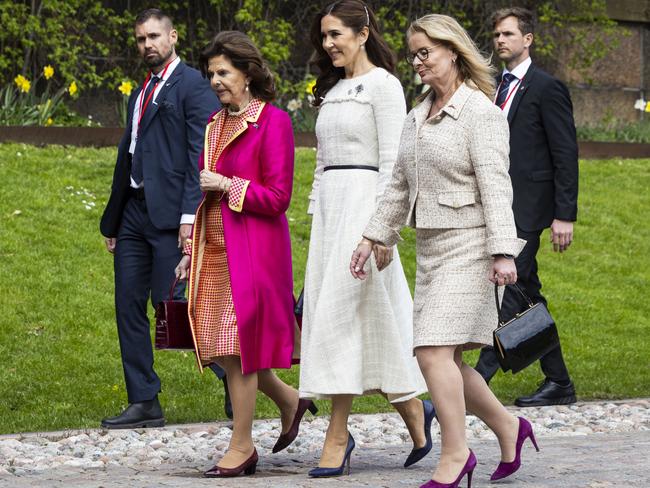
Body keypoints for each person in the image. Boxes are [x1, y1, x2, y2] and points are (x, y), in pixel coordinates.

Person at [351, 14, 540, 487]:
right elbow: (398, 185)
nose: (417, 62)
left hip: (473, 246)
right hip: (433, 249)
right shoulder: (419, 115)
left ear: (452, 51)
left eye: (425, 52)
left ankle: (456, 455)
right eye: (413, 54)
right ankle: (510, 427)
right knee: (448, 361)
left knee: (432, 353)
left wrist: (502, 252)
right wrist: (376, 234)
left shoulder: (482, 113)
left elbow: (498, 187)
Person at [299, 0, 434, 478]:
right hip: (332, 215)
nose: (329, 43)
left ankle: (338, 436)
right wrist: (318, 218)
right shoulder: (332, 89)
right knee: (372, 321)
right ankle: (417, 415)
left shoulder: (384, 87)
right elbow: (320, 162)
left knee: (345, 320)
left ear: (362, 32)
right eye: (325, 36)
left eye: (336, 34)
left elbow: (397, 165)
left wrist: (381, 231)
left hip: (366, 212)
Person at [174, 30, 313, 478]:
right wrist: (191, 249)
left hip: (252, 255)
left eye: (224, 72)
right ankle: (290, 400)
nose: (215, 80)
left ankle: (242, 445)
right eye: (211, 73)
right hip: (213, 253)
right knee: (223, 349)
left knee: (240, 348)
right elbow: (205, 198)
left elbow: (278, 197)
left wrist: (228, 185)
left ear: (248, 73)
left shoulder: (273, 121)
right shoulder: (215, 125)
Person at [99, 8, 231, 428]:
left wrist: (190, 217)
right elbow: (131, 153)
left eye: (154, 36)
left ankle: (236, 377)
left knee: (175, 306)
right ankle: (144, 401)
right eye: (141, 39)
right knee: (128, 306)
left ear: (173, 37)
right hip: (134, 216)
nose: (147, 45)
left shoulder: (193, 85)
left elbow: (202, 154)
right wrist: (115, 220)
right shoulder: (141, 91)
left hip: (172, 217)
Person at [474, 7, 579, 408]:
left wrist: (564, 213)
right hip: (499, 206)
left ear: (527, 39)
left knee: (512, 292)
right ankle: (559, 382)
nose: (500, 40)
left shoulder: (547, 88)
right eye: (497, 35)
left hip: (530, 210)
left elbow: (565, 153)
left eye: (508, 34)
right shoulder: (494, 88)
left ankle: (479, 379)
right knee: (526, 292)